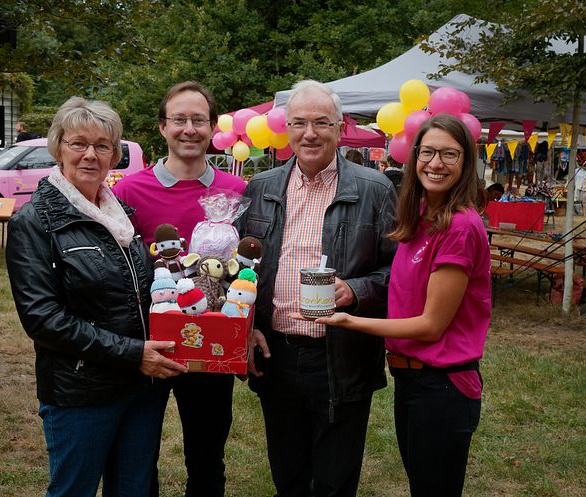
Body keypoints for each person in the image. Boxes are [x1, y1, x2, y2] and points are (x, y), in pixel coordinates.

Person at [6, 96, 187, 497]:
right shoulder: (34, 222)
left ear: (114, 155)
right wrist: (131, 352)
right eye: (78, 143)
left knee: (133, 490)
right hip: (82, 391)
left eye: (102, 146)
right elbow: (42, 319)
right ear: (58, 147)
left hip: (140, 388)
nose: (90, 155)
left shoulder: (121, 213)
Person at [308, 114, 491, 497]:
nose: (436, 163)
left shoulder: (459, 226)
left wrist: (351, 322)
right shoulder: (422, 217)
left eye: (449, 154)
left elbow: (430, 325)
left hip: (442, 386)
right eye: (427, 152)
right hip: (412, 380)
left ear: (466, 162)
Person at [236, 80, 397, 497]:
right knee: (287, 473)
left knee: (334, 479)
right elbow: (243, 269)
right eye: (300, 123)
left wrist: (356, 290)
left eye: (322, 123)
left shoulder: (374, 189)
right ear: (286, 129)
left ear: (340, 129)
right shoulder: (261, 188)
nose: (310, 133)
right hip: (277, 352)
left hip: (341, 354)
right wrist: (247, 326)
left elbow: (399, 272)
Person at [113, 81, 246, 497]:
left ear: (212, 128)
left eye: (198, 120)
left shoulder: (237, 192)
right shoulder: (130, 191)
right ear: (162, 127)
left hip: (213, 347)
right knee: (137, 458)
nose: (189, 129)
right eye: (179, 119)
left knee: (207, 460)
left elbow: (249, 270)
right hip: (151, 345)